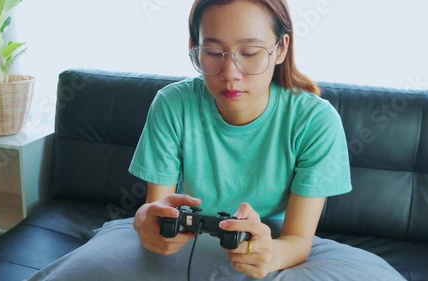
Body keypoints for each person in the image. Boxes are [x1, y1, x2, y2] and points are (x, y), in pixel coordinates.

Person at [27, 1, 406, 280]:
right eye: (213, 52)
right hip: (185, 241)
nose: (230, 73)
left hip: (265, 245)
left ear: (281, 49)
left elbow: (297, 241)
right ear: (195, 47)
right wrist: (146, 221)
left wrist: (270, 255)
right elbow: (156, 210)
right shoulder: (173, 104)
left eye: (251, 53)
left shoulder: (315, 120)